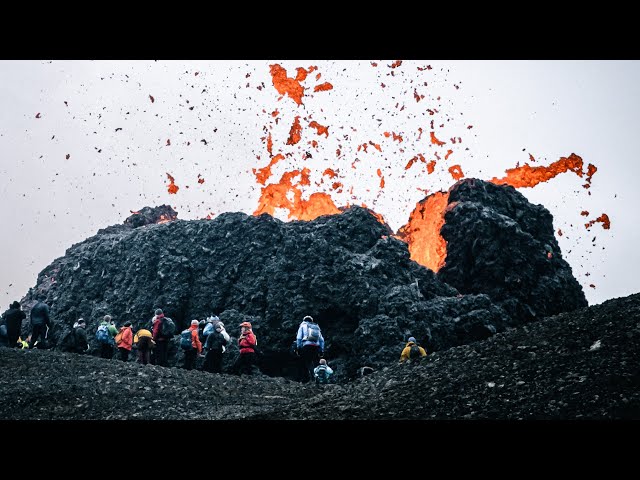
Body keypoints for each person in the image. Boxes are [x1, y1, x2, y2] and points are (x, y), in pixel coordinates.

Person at [296, 315, 325, 383]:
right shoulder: (316, 327)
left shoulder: (302, 326)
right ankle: (316, 377)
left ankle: (308, 379)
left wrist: (298, 347)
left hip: (307, 346)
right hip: (316, 347)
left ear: (304, 320)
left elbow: (299, 337)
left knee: (305, 362)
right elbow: (322, 340)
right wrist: (322, 350)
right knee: (312, 361)